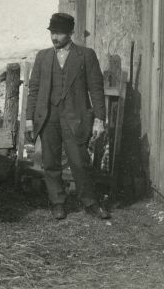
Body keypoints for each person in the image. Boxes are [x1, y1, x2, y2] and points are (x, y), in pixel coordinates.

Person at [26, 13, 110, 220]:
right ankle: (57, 202)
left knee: (80, 162)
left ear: (71, 33)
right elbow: (34, 90)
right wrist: (29, 118)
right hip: (48, 117)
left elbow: (96, 89)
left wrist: (99, 119)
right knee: (50, 162)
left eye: (60, 33)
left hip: (76, 117)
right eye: (52, 33)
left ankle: (90, 203)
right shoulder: (43, 57)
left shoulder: (86, 55)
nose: (55, 38)